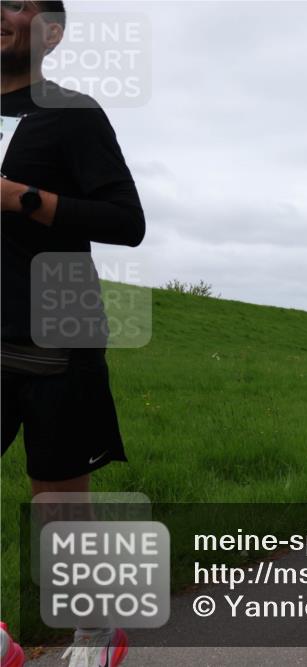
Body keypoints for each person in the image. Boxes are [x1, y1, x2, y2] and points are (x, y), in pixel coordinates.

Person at [1, 2, 143, 665]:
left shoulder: (72, 113)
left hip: (53, 338)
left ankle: (94, 629)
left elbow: (126, 219)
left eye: (17, 5)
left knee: (56, 499)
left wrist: (18, 197)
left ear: (50, 32)